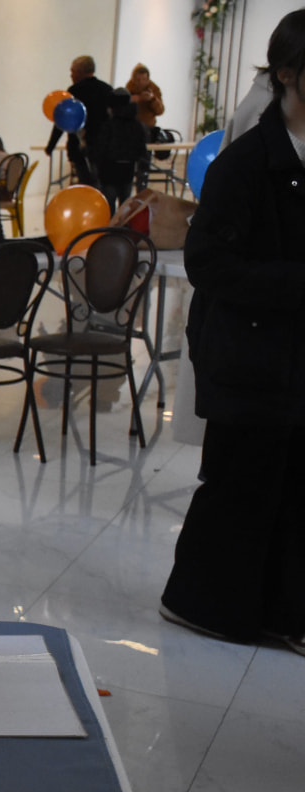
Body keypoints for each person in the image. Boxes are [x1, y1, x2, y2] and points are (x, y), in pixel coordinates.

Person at [160, 9, 305, 657]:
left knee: (290, 486)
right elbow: (208, 263)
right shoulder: (246, 163)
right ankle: (205, 606)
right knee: (241, 485)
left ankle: (279, 611)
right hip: (247, 353)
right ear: (288, 76)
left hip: (290, 355)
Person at [45, 55, 116, 189]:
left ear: (80, 72)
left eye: (73, 71)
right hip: (103, 146)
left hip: (79, 146)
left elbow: (62, 120)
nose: (71, 75)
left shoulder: (74, 91)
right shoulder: (107, 89)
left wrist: (51, 145)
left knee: (85, 183)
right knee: (102, 183)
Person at [93, 90, 148, 214]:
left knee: (109, 203)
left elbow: (100, 148)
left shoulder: (108, 125)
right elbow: (141, 148)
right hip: (128, 168)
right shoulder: (137, 125)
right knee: (125, 203)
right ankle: (123, 229)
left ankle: (110, 229)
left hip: (109, 169)